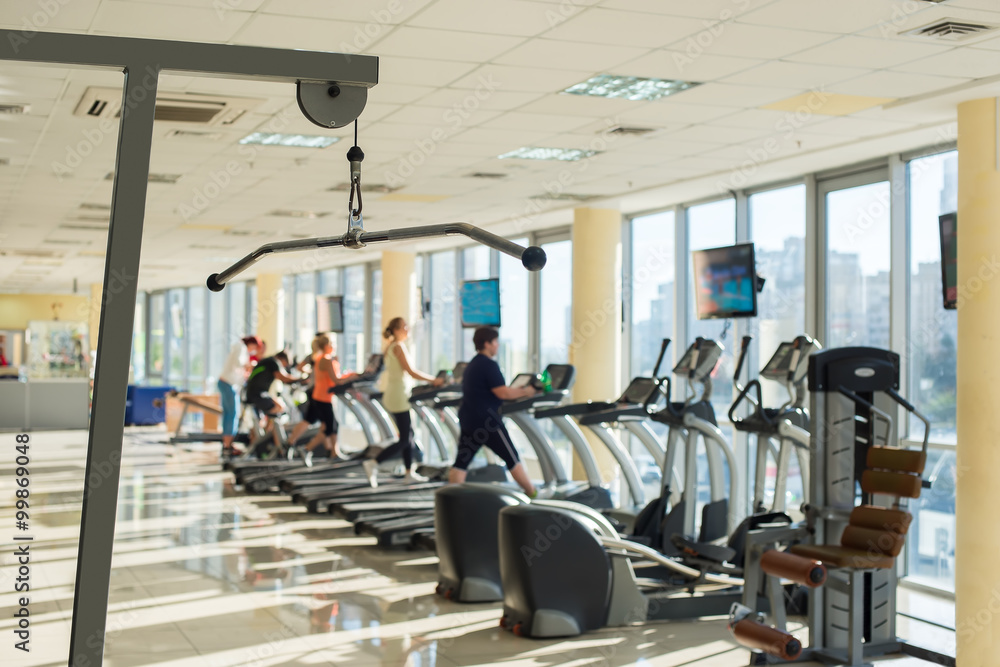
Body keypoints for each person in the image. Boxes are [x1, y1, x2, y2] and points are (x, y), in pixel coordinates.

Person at [448, 327, 537, 497]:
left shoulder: (472, 364)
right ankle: (532, 493)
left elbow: (493, 390)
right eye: (495, 342)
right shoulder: (489, 365)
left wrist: (515, 390)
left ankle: (449, 498)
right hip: (488, 423)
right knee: (512, 457)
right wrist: (527, 392)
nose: (497, 345)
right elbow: (502, 393)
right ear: (487, 344)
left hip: (469, 420)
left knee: (461, 462)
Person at [363, 317, 444, 487]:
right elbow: (411, 371)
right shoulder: (398, 347)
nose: (407, 329)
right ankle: (374, 463)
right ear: (397, 329)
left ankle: (409, 473)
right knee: (405, 439)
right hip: (398, 396)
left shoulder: (390, 347)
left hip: (397, 394)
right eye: (404, 327)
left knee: (409, 435)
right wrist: (433, 381)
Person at [297, 335, 355, 465]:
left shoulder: (322, 358)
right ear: (326, 346)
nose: (335, 346)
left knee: (332, 425)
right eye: (333, 344)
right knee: (330, 427)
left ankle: (335, 452)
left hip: (322, 397)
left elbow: (334, 378)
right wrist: (352, 376)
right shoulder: (326, 360)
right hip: (323, 398)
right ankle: (306, 449)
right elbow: (336, 380)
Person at [244, 350, 297, 454]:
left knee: (277, 409)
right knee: (279, 409)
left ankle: (267, 432)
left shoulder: (267, 361)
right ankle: (269, 438)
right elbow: (283, 377)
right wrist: (300, 379)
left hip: (255, 393)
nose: (285, 367)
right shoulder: (274, 362)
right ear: (282, 359)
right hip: (257, 394)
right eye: (286, 365)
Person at [218, 335, 260, 457]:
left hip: (227, 383)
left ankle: (227, 444)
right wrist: (250, 364)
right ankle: (228, 445)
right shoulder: (241, 347)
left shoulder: (240, 348)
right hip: (227, 383)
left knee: (228, 415)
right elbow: (238, 362)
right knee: (233, 414)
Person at [285, 334, 326, 454]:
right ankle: (301, 446)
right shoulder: (322, 358)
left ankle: (330, 449)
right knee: (319, 421)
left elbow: (299, 367)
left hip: (312, 389)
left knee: (313, 420)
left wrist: (309, 373)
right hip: (318, 391)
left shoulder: (312, 357)